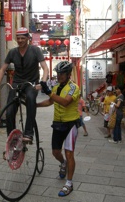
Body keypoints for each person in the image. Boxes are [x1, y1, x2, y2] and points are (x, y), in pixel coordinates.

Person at [0, 27, 49, 143]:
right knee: (10, 110)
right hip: (17, 83)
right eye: (18, 38)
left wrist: (42, 83)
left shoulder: (35, 50)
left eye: (23, 38)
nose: (20, 40)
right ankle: (12, 137)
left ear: (28, 38)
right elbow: (3, 69)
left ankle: (28, 132)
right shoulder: (12, 52)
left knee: (31, 99)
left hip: (31, 83)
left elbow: (45, 68)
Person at [37, 61, 79, 197]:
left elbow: (66, 102)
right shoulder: (55, 87)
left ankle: (69, 183)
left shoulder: (74, 88)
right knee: (56, 152)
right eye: (58, 73)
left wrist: (49, 92)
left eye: (62, 73)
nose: (59, 76)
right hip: (57, 124)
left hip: (71, 125)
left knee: (69, 153)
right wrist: (35, 105)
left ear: (68, 74)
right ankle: (63, 163)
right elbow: (50, 101)